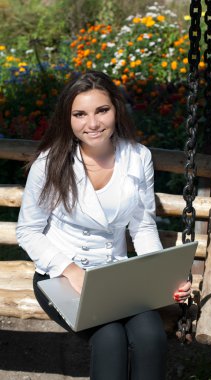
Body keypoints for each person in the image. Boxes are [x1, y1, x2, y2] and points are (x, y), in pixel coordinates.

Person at [16, 70, 191, 380]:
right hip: (60, 276)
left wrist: (160, 278)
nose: (92, 123)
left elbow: (142, 226)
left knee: (151, 337)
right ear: (67, 118)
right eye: (80, 114)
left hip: (115, 274)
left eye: (102, 110)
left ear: (116, 110)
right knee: (109, 338)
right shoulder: (50, 163)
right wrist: (71, 271)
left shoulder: (137, 157)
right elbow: (28, 231)